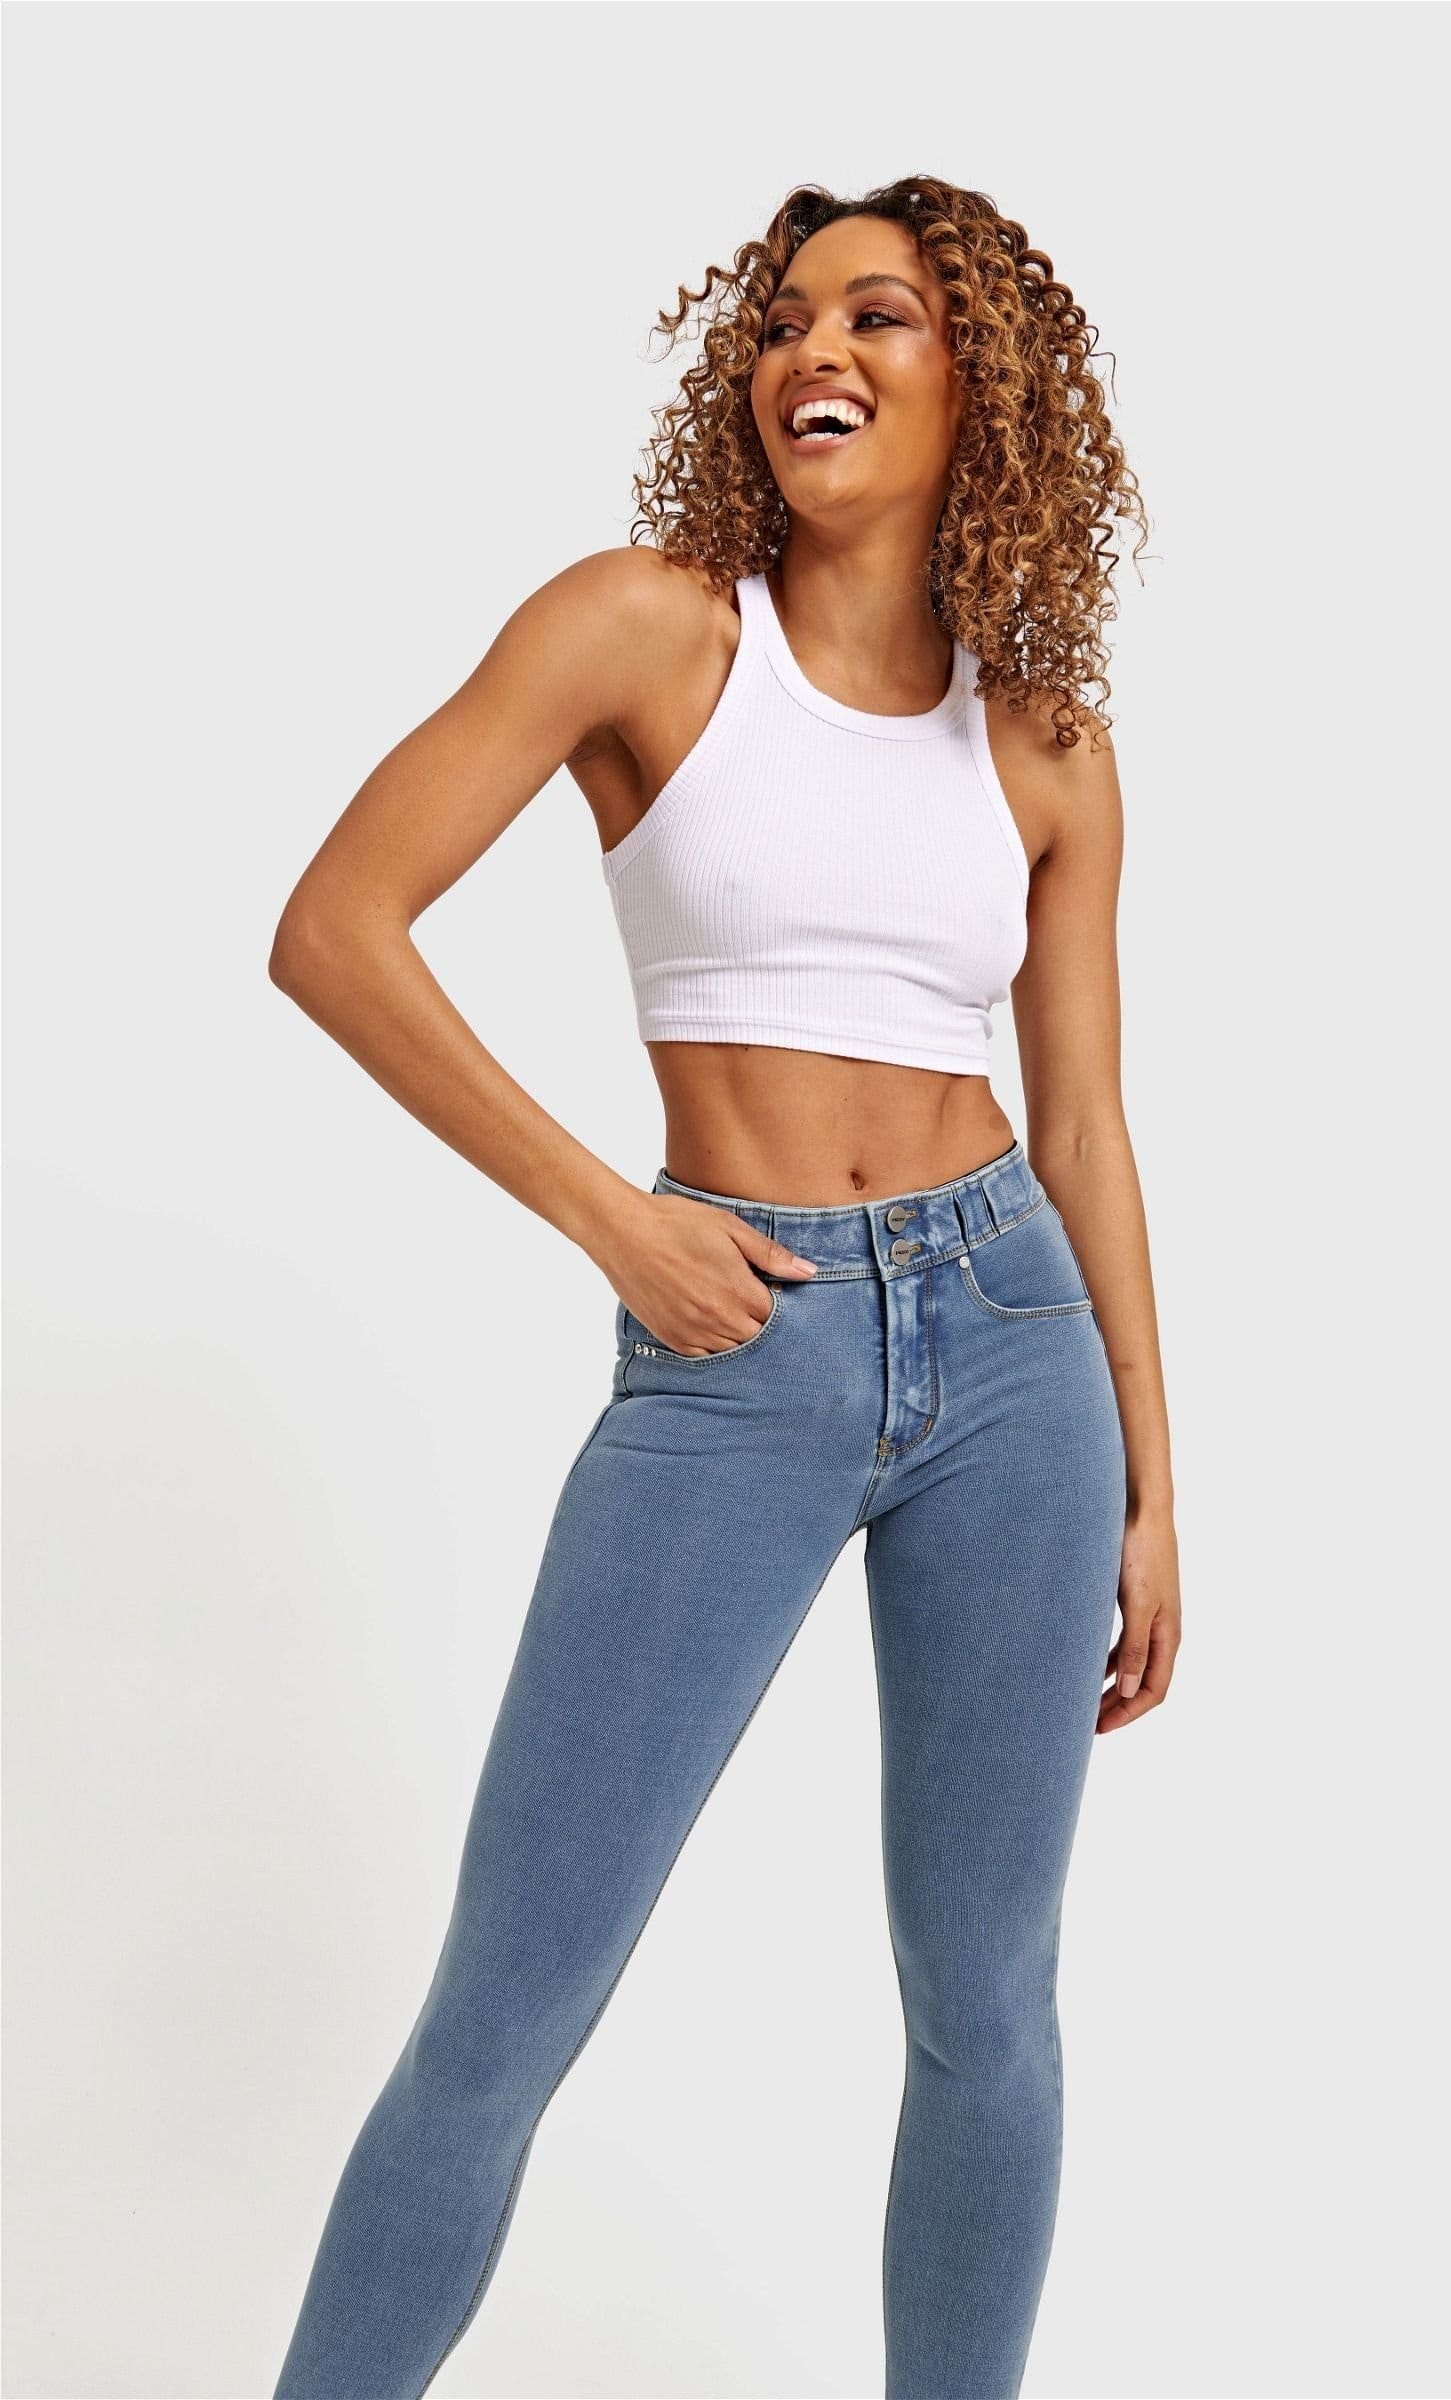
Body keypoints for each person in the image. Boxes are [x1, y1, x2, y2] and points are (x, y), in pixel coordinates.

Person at [267, 173, 1181, 2400]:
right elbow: (335, 929)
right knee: (505, 2013)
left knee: (987, 2002)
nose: (812, 353)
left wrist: (1155, 1485)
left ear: (982, 386)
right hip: (735, 1342)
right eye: (780, 322)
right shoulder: (647, 631)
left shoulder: (1046, 743)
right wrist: (616, 1214)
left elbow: (1081, 1129)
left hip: (1015, 1351)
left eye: (877, 315)